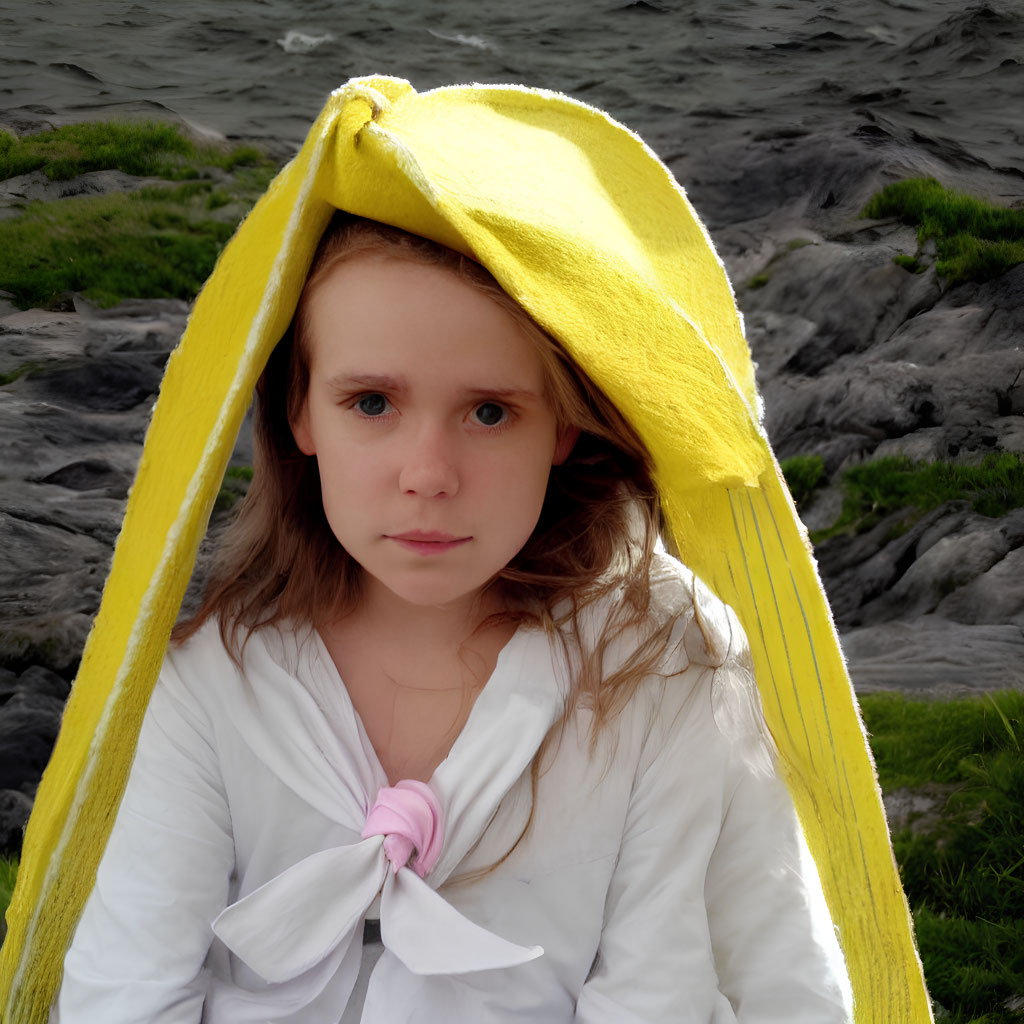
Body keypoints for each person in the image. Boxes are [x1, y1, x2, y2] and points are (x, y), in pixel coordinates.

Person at [2, 77, 931, 1024]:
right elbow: (125, 993)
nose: (428, 473)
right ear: (299, 413)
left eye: (490, 411)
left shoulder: (660, 662)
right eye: (372, 403)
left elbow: (659, 990)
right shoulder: (212, 681)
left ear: (564, 426)